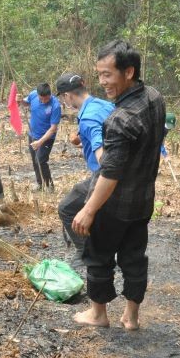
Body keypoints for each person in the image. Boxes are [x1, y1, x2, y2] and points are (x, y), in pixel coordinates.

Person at [72, 40, 165, 330]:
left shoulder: (120, 118)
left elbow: (110, 173)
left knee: (97, 254)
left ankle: (98, 314)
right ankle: (131, 316)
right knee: (134, 256)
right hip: (143, 199)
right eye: (99, 75)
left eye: (108, 75)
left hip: (113, 203)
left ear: (129, 71)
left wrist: (89, 209)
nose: (102, 82)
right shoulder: (154, 97)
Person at [55, 72, 114, 259]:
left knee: (77, 212)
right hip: (118, 170)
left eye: (63, 98)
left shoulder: (88, 118)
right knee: (71, 205)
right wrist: (81, 141)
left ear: (67, 95)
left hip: (104, 174)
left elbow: (101, 154)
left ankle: (89, 255)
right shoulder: (104, 104)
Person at [22, 83, 62, 191]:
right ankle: (40, 184)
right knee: (35, 161)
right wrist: (19, 100)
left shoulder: (55, 106)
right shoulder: (33, 95)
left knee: (40, 160)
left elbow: (53, 128)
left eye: (46, 99)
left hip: (46, 138)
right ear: (38, 94)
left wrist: (40, 142)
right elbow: (25, 103)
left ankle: (49, 185)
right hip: (32, 134)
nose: (44, 101)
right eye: (41, 99)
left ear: (50, 94)